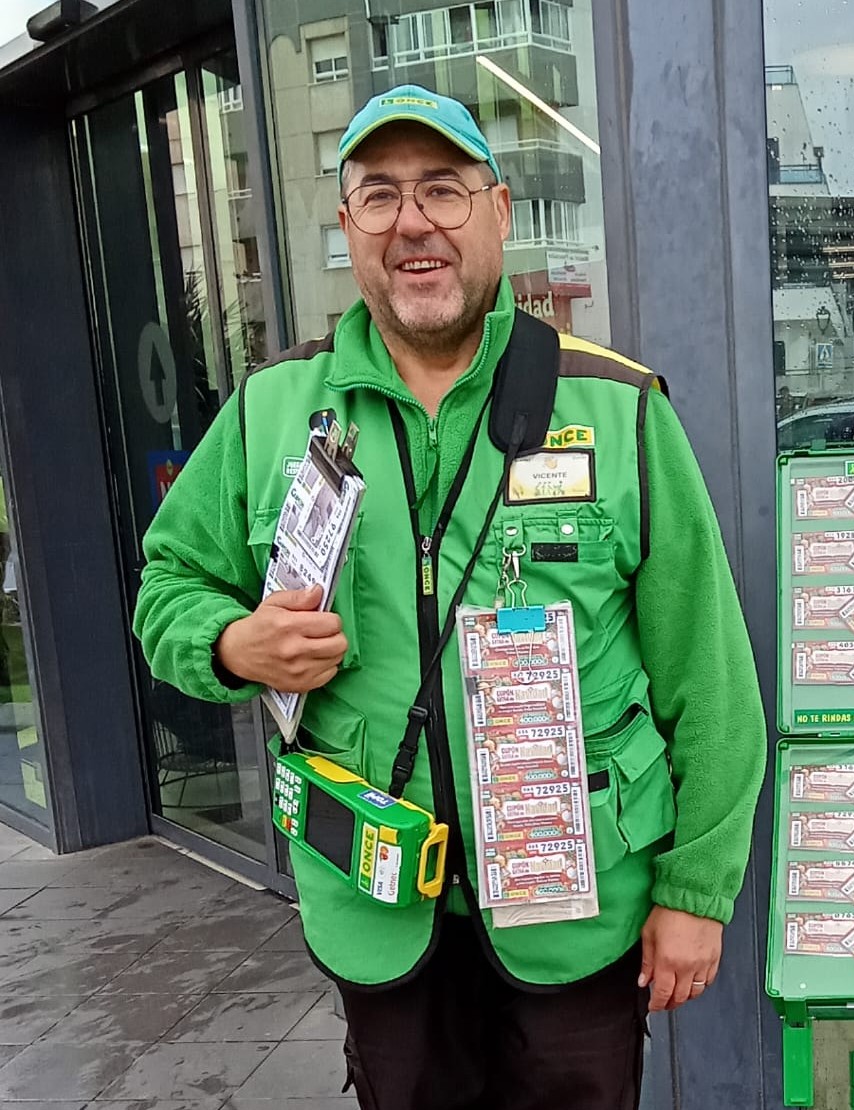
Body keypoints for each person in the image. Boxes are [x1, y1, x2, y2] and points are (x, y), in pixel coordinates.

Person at [132, 85, 766, 1110]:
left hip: (579, 903)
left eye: (443, 189)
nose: (413, 220)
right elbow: (167, 584)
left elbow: (711, 673)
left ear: (499, 211)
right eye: (379, 196)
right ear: (348, 228)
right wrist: (234, 643)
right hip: (375, 898)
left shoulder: (616, 406)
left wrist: (697, 891)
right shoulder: (271, 412)